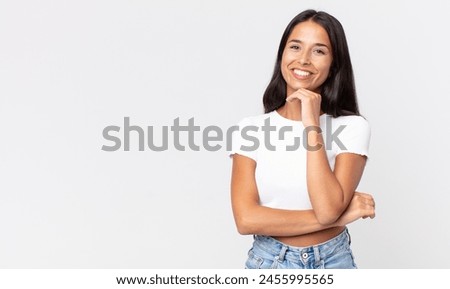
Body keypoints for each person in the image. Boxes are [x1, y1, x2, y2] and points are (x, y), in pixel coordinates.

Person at [229, 9, 376, 269]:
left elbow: (328, 208)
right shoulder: (250, 129)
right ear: (282, 55)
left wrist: (311, 126)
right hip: (270, 262)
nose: (304, 60)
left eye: (319, 51)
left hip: (334, 262)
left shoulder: (352, 127)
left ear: (333, 66)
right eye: (295, 47)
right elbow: (246, 219)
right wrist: (341, 217)